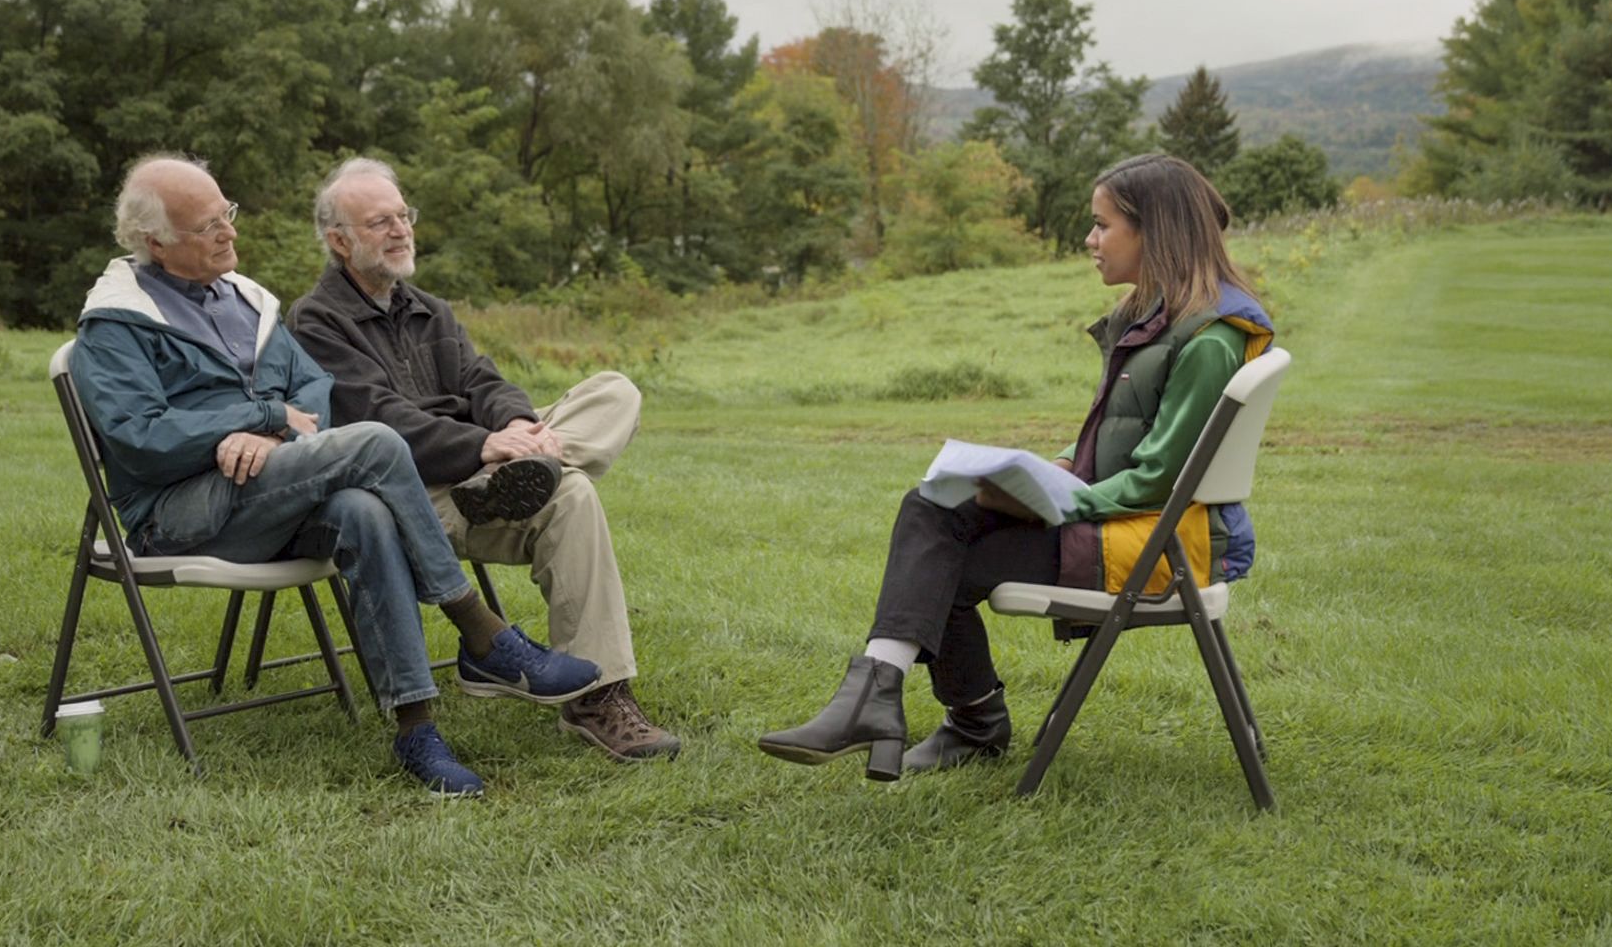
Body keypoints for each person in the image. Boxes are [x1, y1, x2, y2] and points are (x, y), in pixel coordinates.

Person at [69, 154, 601, 797]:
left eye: (226, 215)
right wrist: (259, 415)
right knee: (374, 442)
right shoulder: (115, 323)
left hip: (268, 497)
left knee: (363, 510)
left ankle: (416, 728)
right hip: (179, 513)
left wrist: (273, 429)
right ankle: (479, 629)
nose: (229, 233)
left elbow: (312, 388)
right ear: (157, 243)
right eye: (208, 225)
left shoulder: (247, 302)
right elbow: (141, 438)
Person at [757, 153, 1275, 781]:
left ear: (1155, 231)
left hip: (1158, 547)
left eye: (1102, 225)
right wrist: (1053, 469)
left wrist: (1055, 500)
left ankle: (959, 720)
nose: (1089, 239)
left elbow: (1162, 480)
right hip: (1128, 523)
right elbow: (1132, 447)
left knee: (935, 564)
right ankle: (881, 694)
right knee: (931, 505)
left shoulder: (1209, 338)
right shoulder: (1160, 317)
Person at [288, 158, 681, 763]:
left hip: (486, 471)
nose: (399, 230)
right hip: (415, 496)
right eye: (379, 222)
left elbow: (482, 381)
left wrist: (517, 424)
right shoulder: (316, 321)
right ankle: (597, 689)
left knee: (613, 393)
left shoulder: (429, 310)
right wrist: (480, 447)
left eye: (403, 216)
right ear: (339, 241)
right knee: (571, 491)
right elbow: (377, 419)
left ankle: (595, 696)